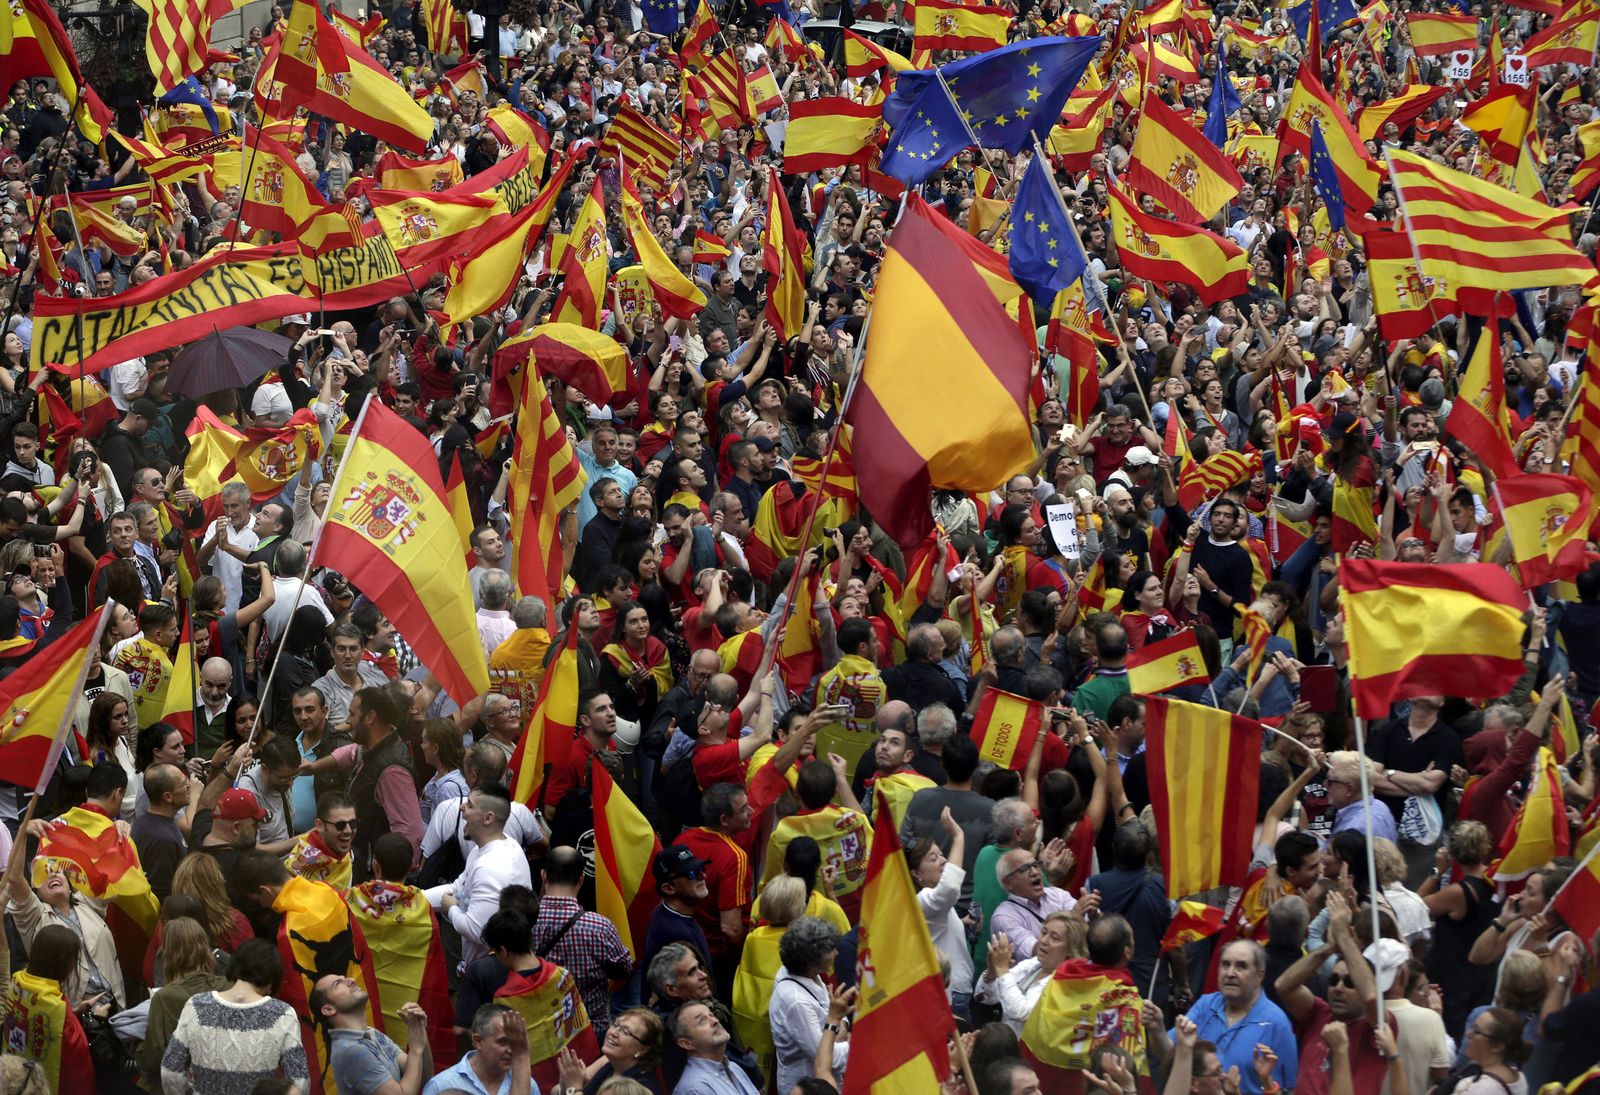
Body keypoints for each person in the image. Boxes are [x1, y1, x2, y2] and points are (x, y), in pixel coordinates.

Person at [160, 938, 310, 1095]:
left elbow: (170, 1072)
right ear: (272, 979)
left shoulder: (196, 1006)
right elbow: (300, 1081)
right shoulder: (282, 1014)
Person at [1151, 940, 1298, 1095]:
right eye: (1225, 964)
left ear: (1259, 975)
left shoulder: (1276, 1022)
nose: (1230, 973)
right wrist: (1157, 1029)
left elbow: (1290, 1089)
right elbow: (1172, 1056)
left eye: (1241, 966)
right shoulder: (1206, 1005)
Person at [424, 782, 532, 971]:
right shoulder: (488, 848)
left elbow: (476, 930)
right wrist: (412, 898)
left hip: (493, 975)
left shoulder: (491, 866)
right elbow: (457, 889)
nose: (461, 807)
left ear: (488, 818)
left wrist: (451, 909)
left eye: (470, 805)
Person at [534, 846, 634, 1038]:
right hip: (590, 1031)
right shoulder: (600, 927)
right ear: (581, 879)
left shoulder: (524, 922)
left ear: (544, 876)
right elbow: (624, 969)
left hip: (540, 1032)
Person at [314, 973, 432, 1095]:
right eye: (338, 983)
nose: (352, 980)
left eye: (345, 978)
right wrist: (416, 1048)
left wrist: (419, 1030)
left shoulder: (372, 1033)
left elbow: (424, 1077)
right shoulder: (351, 1050)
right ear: (328, 1009)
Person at [770, 916, 849, 1092]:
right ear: (812, 961)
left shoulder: (807, 974)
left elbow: (832, 1010)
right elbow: (827, 1057)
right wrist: (854, 1043)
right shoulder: (796, 1001)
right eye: (830, 950)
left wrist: (841, 1024)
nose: (836, 953)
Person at [974, 911, 1087, 1034]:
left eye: (1054, 938)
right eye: (1044, 932)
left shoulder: (1067, 982)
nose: (1044, 940)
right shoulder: (1033, 964)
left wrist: (1002, 969)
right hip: (1005, 1042)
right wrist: (992, 974)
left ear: (1071, 949)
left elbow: (1022, 1013)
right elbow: (988, 998)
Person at [910, 807, 974, 1012]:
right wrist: (958, 837)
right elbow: (950, 888)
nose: (944, 860)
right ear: (916, 873)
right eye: (933, 858)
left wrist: (960, 923)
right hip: (950, 996)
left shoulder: (930, 902)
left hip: (955, 993)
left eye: (941, 855)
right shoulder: (924, 899)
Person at [422, 1005, 533, 1095]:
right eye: (503, 1042)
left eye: (515, 1043)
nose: (512, 1050)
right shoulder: (442, 1085)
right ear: (478, 1041)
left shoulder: (527, 1084)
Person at [670, 1001, 761, 1095]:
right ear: (686, 1043)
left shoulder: (734, 1067)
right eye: (702, 1021)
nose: (715, 1021)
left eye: (712, 1015)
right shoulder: (695, 1089)